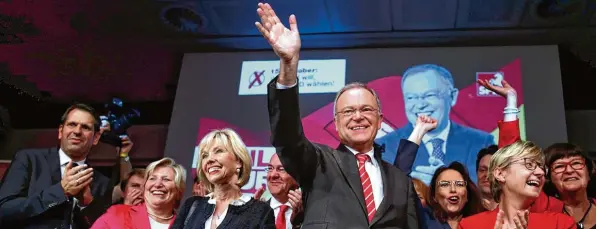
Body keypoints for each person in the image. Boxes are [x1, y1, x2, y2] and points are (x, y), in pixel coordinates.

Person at [255, 3, 439, 228]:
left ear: (380, 120)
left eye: (366, 109)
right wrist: (288, 65)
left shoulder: (401, 181)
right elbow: (287, 136)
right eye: (349, 111)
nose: (358, 116)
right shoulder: (317, 163)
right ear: (337, 122)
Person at [377, 64, 495, 185]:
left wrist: (444, 183)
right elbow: (387, 192)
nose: (420, 105)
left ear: (453, 96)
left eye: (429, 95)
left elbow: (489, 190)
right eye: (411, 97)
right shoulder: (384, 146)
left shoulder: (481, 142)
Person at [0, 103, 112, 229]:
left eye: (85, 127)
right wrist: (60, 191)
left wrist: (87, 204)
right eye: (72, 124)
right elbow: (4, 210)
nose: (77, 131)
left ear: (96, 137)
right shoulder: (29, 160)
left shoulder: (102, 182)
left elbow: (104, 225)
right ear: (60, 131)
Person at [171, 129, 275, 229]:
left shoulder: (261, 212)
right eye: (205, 156)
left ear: (238, 161)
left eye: (218, 151)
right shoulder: (192, 206)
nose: (210, 160)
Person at [459, 141, 576, 229]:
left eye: (541, 167)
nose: (540, 172)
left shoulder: (560, 224)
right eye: (529, 164)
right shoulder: (469, 226)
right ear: (500, 173)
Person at [91, 157, 186, 229]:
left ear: (179, 189)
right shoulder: (117, 213)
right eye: (152, 178)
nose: (157, 184)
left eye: (166, 179)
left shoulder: (186, 225)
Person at [544, 143, 596, 229]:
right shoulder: (541, 215)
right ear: (549, 178)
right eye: (559, 166)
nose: (569, 170)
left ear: (589, 173)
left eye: (576, 163)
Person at [426, 162, 484, 229]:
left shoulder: (482, 223)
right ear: (434, 196)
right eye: (445, 184)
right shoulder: (423, 221)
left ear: (467, 195)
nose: (453, 189)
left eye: (459, 184)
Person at [264, 153, 303, 229]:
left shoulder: (311, 213)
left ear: (297, 177)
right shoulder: (258, 213)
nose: (272, 175)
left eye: (281, 169)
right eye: (270, 168)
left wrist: (298, 224)